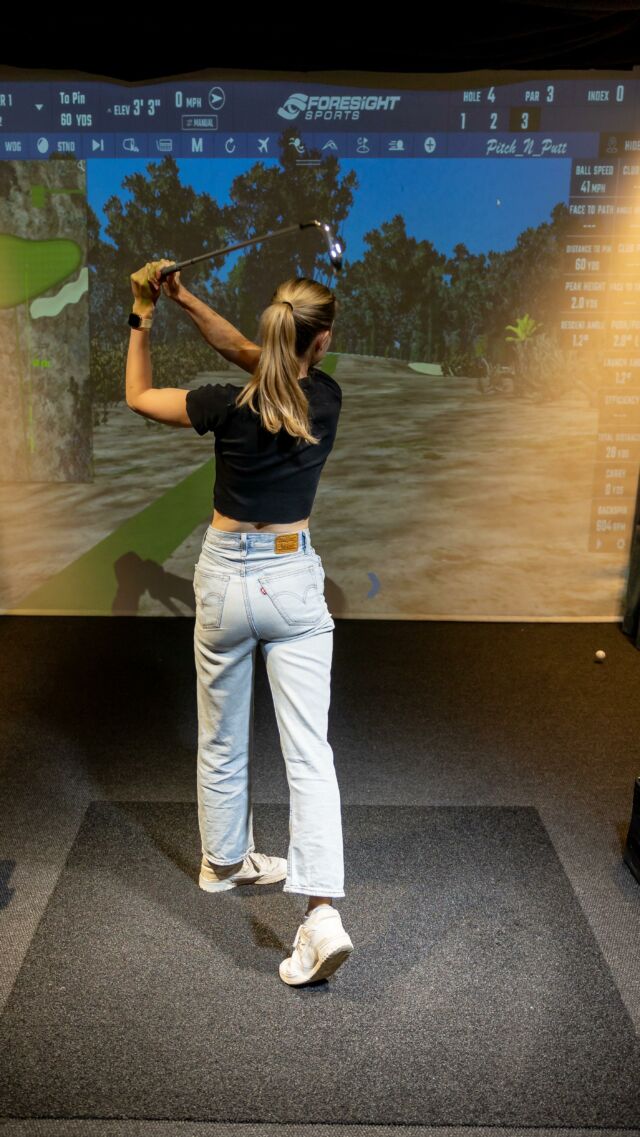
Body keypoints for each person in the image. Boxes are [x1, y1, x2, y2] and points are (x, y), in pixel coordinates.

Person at [126, 259, 354, 986]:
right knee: (309, 751)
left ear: (273, 332)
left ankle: (223, 863)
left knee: (221, 733)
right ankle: (319, 916)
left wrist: (148, 309)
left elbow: (137, 395)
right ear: (320, 342)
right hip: (291, 580)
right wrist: (185, 298)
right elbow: (262, 356)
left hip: (225, 578)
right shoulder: (326, 398)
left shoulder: (224, 404)